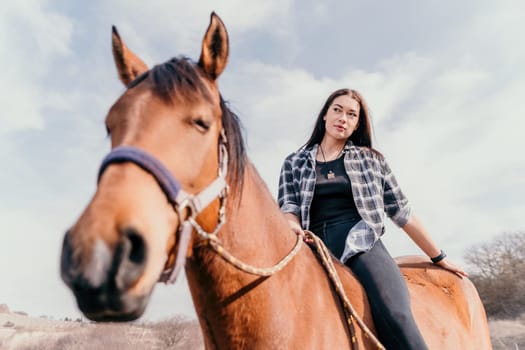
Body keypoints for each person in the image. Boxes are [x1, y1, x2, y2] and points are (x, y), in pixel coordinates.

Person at [277, 88, 467, 350]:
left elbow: (402, 212)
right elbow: (289, 206)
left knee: (396, 314)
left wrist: (438, 257)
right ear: (325, 115)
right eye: (337, 110)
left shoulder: (371, 160)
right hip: (314, 250)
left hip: (360, 242)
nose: (343, 117)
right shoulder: (294, 162)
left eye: (352, 114)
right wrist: (292, 225)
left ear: (357, 125)